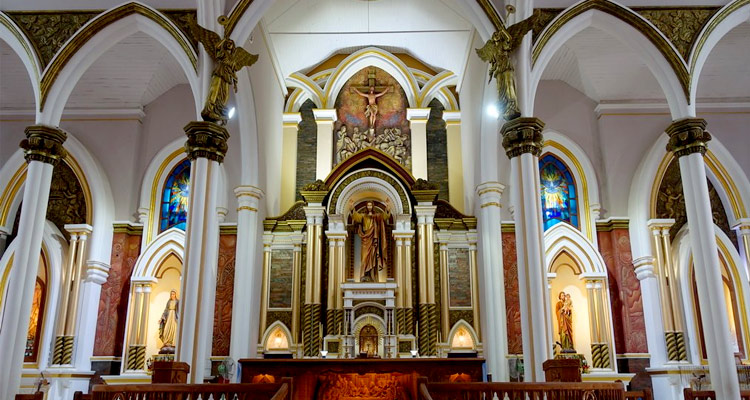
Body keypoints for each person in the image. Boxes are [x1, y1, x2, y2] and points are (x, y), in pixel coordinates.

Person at [349, 198, 391, 282]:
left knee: (373, 258)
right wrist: (352, 207)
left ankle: (372, 277)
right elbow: (355, 216)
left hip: (374, 240)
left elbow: (385, 216)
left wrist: (387, 207)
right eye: (368, 205)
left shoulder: (377, 216)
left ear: (373, 206)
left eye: (370, 205)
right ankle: (364, 275)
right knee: (364, 259)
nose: (369, 207)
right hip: (366, 240)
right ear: (366, 206)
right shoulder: (363, 216)